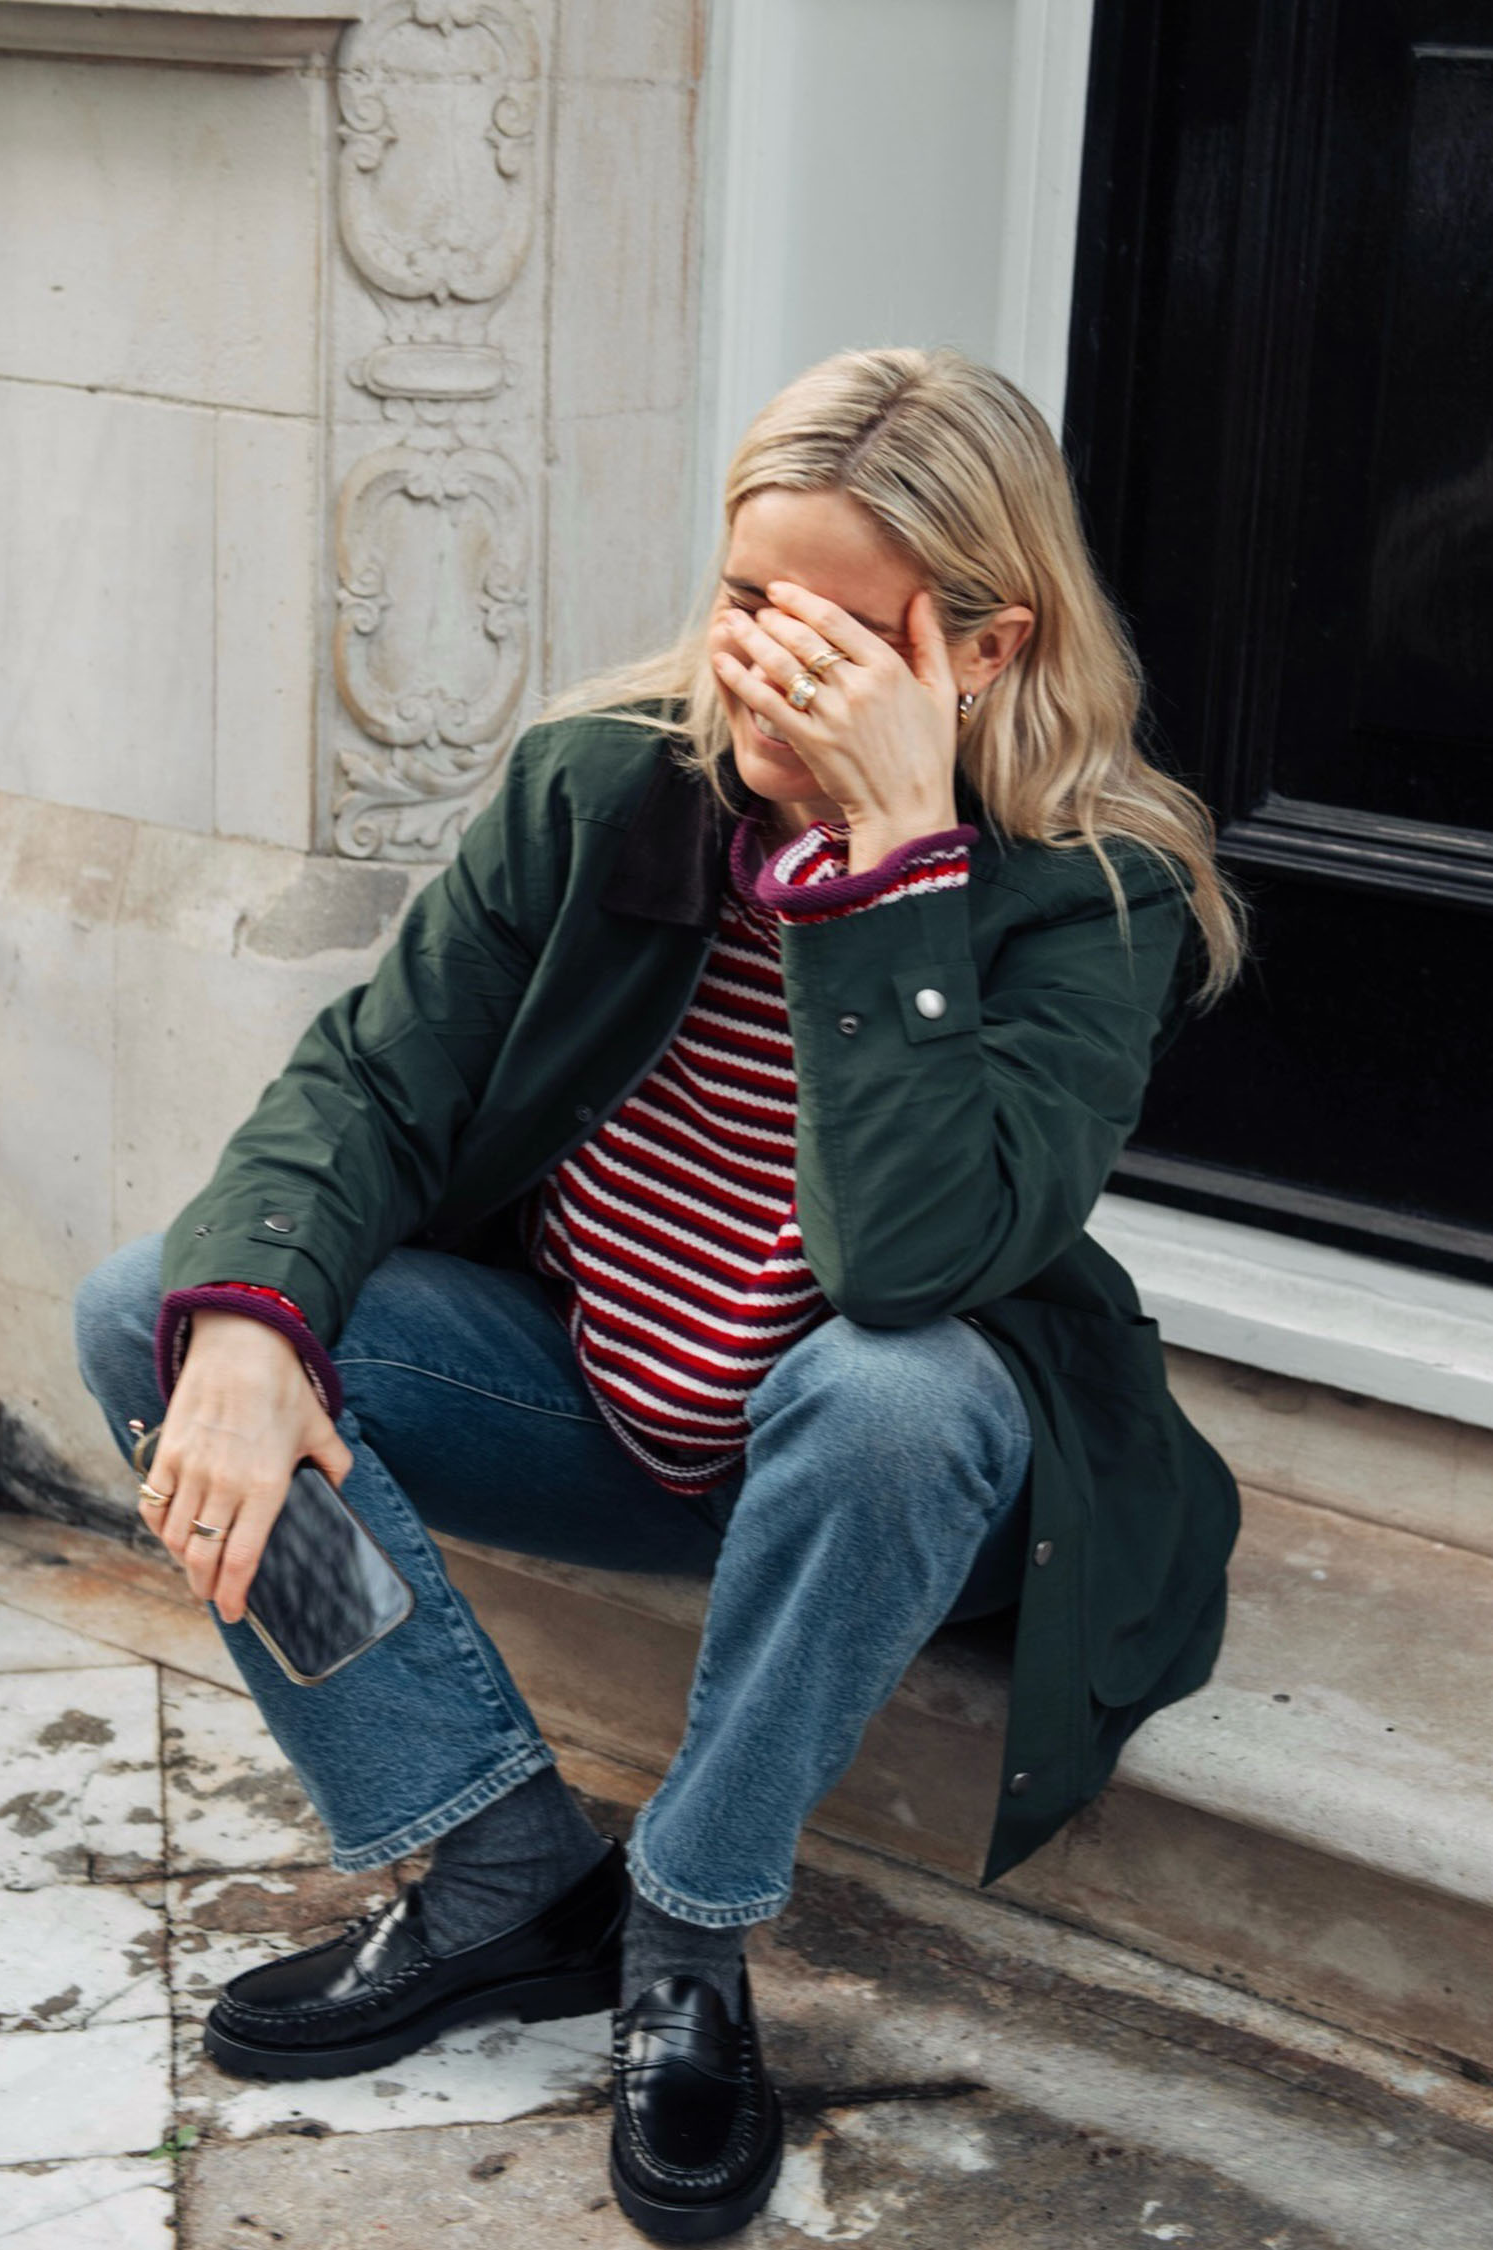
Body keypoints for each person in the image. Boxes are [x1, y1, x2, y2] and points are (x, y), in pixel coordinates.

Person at [72, 348, 1249, 2243]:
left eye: (833, 633)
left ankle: (688, 1939)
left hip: (884, 1480)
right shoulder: (610, 784)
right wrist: (238, 1329)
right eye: (741, 600)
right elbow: (372, 1079)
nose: (759, 666)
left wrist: (889, 866)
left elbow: (912, 1262)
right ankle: (496, 1871)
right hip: (603, 1402)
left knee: (898, 1389)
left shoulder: (1092, 894)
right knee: (164, 1305)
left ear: (984, 643)